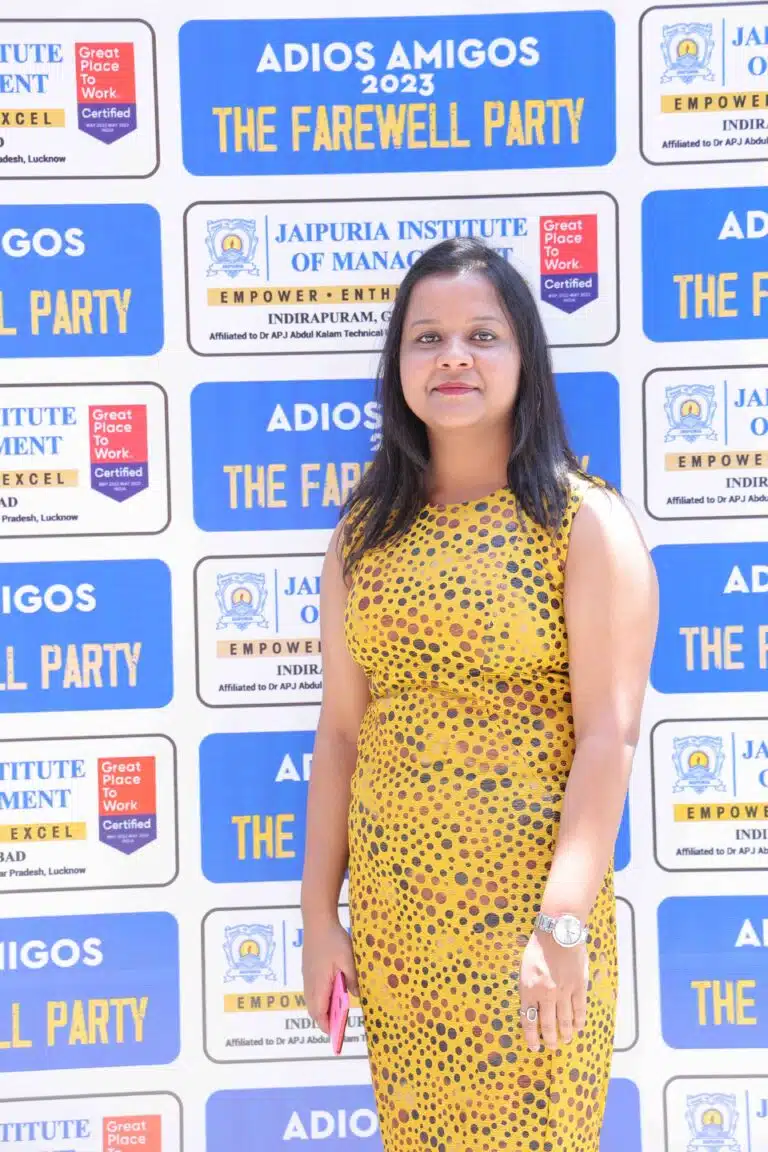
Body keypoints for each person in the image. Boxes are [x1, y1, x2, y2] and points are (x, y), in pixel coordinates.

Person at [301, 237, 658, 1152]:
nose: (452, 357)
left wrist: (562, 926)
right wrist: (318, 920)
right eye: (426, 338)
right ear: (398, 366)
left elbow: (609, 739)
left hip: (530, 925)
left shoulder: (582, 523)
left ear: (524, 355)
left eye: (482, 335)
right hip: (398, 933)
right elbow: (340, 737)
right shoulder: (364, 534)